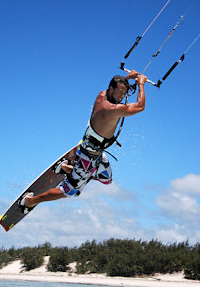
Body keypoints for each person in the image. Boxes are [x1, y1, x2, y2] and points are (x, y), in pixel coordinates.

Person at [21, 70, 148, 211]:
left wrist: (127, 78)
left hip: (97, 153)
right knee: (69, 191)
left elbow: (116, 86)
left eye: (124, 93)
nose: (123, 96)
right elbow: (140, 106)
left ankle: (67, 168)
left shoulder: (102, 94)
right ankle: (30, 201)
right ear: (111, 89)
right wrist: (141, 84)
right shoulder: (113, 109)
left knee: (106, 179)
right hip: (87, 156)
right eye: (120, 92)